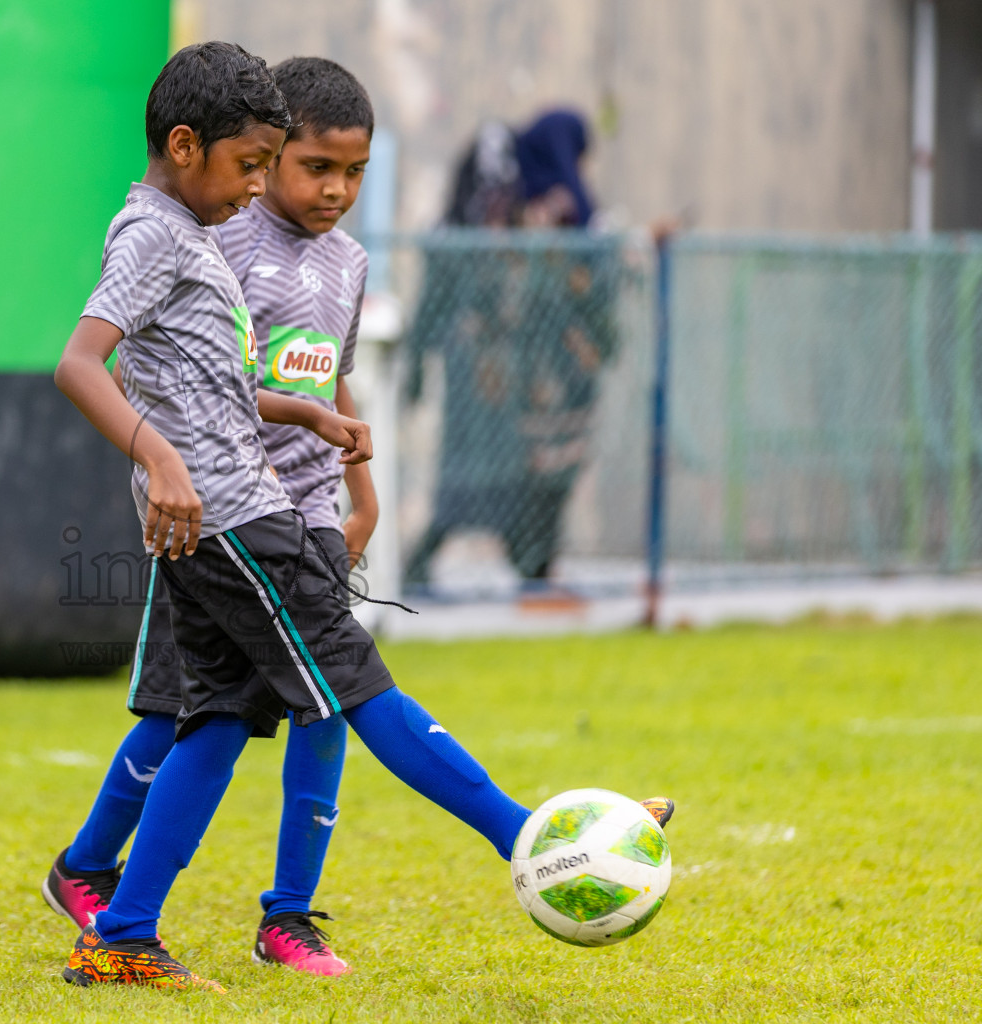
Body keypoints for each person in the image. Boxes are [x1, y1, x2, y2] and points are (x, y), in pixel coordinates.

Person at [51, 47, 671, 992]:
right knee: (357, 686)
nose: (261, 187)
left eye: (274, 166)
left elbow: (216, 389)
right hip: (235, 520)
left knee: (217, 719)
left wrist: (309, 418)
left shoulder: (199, 238)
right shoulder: (163, 235)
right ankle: (536, 839)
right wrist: (160, 458)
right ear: (185, 146)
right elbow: (83, 364)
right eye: (254, 166)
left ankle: (124, 931)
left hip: (246, 510)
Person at [41, 56, 377, 979]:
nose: (324, 188)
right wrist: (162, 458)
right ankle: (89, 874)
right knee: (184, 708)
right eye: (304, 164)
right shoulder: (207, 235)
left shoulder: (346, 263)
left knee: (313, 706)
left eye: (352, 172)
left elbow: (328, 372)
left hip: (296, 512)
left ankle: (289, 915)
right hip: (214, 520)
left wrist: (358, 491)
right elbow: (117, 366)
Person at [403, 110, 620, 603]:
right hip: (484, 371)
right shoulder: (500, 195)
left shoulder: (553, 203)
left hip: (529, 375)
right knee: (468, 474)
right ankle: (425, 562)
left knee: (532, 473)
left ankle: (534, 566)